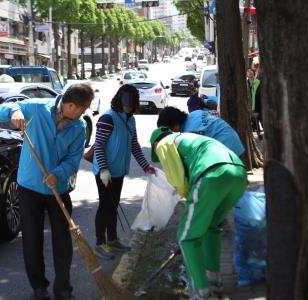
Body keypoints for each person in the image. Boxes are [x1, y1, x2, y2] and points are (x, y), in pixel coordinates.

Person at [0, 83, 94, 300]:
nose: (84, 113)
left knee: (63, 242)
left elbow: (73, 158)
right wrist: (15, 111)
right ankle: (39, 287)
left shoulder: (78, 127)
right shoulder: (36, 108)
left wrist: (58, 174)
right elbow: (1, 110)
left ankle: (63, 289)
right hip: (29, 187)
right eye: (83, 108)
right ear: (69, 105)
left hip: (58, 188)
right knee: (31, 239)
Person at [150, 127, 247, 300]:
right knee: (211, 228)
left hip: (211, 175)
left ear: (156, 143)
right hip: (238, 174)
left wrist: (188, 201)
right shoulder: (189, 139)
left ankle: (201, 293)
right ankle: (214, 283)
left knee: (186, 237)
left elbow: (178, 179)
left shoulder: (164, 143)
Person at [92, 84, 156, 260]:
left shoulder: (131, 120)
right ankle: (99, 243)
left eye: (131, 102)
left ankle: (112, 239)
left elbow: (134, 145)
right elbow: (99, 146)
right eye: (125, 101)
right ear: (119, 99)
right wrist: (104, 169)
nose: (128, 105)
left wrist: (145, 166)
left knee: (113, 205)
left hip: (118, 172)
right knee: (105, 207)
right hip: (104, 173)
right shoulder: (107, 118)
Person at [157, 105, 245, 157]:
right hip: (236, 144)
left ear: (175, 124)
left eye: (170, 129)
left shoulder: (189, 133)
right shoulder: (195, 113)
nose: (171, 132)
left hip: (227, 151)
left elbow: (195, 156)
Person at [247, 68, 262, 138]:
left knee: (261, 121)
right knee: (254, 124)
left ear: (254, 73)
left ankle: (260, 136)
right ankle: (258, 134)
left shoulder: (258, 82)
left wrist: (256, 109)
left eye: (251, 71)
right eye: (248, 71)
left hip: (258, 106)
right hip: (249, 107)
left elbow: (259, 96)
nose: (250, 72)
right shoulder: (245, 84)